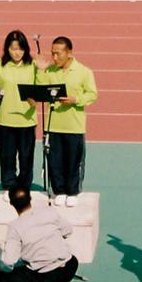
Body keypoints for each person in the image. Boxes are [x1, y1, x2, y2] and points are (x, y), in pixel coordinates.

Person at [0, 186, 79, 282]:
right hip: (70, 266)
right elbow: (68, 231)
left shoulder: (15, 227)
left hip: (47, 276)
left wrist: (0, 268)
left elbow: (8, 263)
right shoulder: (49, 212)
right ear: (30, 198)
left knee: (3, 279)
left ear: (11, 203)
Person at [37, 36, 97, 207]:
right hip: (53, 124)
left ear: (69, 53)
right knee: (54, 160)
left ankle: (73, 191)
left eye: (58, 54)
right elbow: (41, 91)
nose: (54, 57)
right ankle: (59, 190)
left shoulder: (84, 72)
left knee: (73, 160)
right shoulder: (50, 71)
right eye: (52, 53)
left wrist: (75, 100)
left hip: (74, 125)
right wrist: (41, 71)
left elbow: (92, 94)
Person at [0, 30, 39, 191]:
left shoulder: (32, 65)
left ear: (25, 49)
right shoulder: (1, 65)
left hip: (27, 119)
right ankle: (9, 187)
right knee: (7, 157)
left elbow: (41, 86)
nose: (17, 52)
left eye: (20, 49)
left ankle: (24, 186)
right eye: (13, 48)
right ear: (7, 49)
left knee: (26, 158)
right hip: (6, 118)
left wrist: (41, 72)